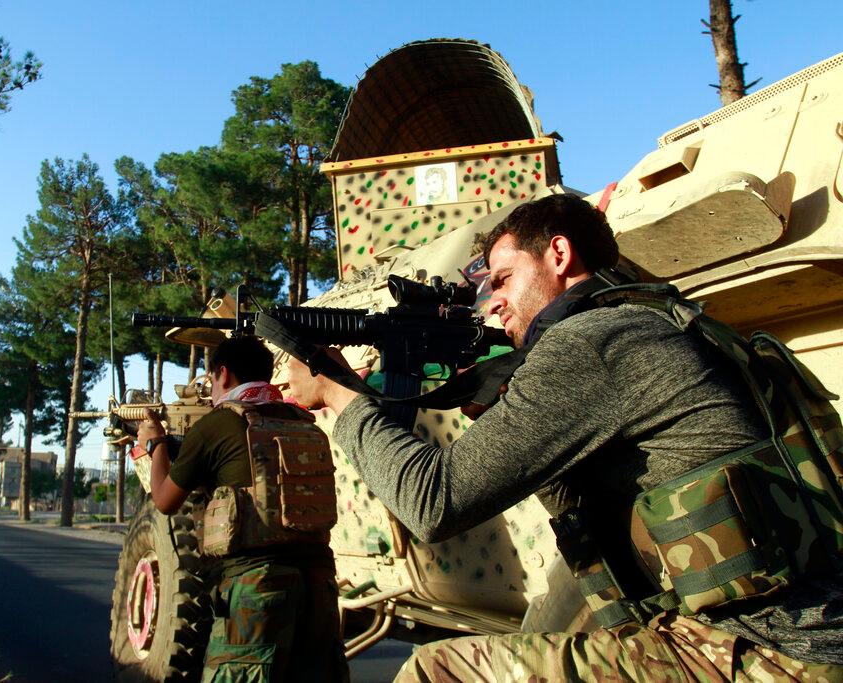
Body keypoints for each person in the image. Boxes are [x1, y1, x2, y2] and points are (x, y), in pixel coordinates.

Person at [287, 194, 843, 681]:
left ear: (559, 254)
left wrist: (341, 397)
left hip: (765, 653)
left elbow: (431, 503)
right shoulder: (656, 320)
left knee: (438, 670)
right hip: (796, 631)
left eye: (503, 279)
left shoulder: (591, 342)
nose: (493, 302)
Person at [137, 335, 348, 683]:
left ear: (223, 374)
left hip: (257, 588)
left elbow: (164, 500)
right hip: (320, 585)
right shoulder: (300, 419)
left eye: (211, 381)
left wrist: (157, 444)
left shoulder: (217, 424)